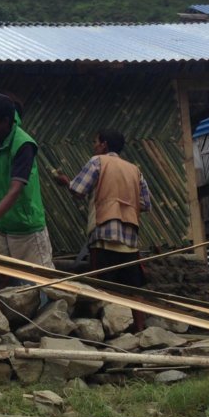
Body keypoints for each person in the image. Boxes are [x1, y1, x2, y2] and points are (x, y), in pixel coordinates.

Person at [55, 129, 151, 331]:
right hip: (129, 238)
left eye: (95, 142)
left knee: (100, 286)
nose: (94, 146)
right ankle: (140, 329)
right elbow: (145, 203)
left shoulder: (97, 161)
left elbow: (78, 190)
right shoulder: (135, 170)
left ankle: (102, 332)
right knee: (134, 289)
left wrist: (65, 182)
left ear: (104, 145)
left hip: (104, 235)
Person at [0, 94, 54, 271]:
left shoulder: (24, 145)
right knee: (1, 276)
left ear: (6, 121)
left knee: (39, 280)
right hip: (0, 224)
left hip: (25, 227)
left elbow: (15, 190)